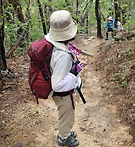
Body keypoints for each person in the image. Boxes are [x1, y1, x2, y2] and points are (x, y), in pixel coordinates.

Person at [45, 10, 82, 147]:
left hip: (62, 93)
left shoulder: (52, 41)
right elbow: (57, 85)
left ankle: (65, 131)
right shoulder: (63, 55)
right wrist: (73, 73)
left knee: (66, 114)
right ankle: (64, 137)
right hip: (63, 94)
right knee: (66, 114)